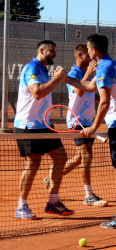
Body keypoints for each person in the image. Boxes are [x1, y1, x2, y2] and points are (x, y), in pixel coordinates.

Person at [61, 34, 116, 229]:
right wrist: (66, 79)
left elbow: (104, 102)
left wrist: (93, 127)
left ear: (94, 50)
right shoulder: (113, 64)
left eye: (89, 49)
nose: (88, 52)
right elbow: (90, 87)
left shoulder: (104, 68)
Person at [14, 40, 74, 220]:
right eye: (51, 51)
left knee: (61, 157)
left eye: (55, 51)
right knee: (33, 164)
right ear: (42, 50)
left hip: (44, 125)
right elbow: (37, 92)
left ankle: (53, 202)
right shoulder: (32, 68)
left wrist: (55, 78)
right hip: (28, 125)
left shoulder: (44, 71)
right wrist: (57, 79)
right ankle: (21, 206)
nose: (54, 54)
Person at [44, 43, 108, 207]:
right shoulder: (72, 74)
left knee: (80, 158)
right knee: (86, 156)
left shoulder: (88, 73)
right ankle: (88, 195)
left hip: (88, 120)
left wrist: (107, 100)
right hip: (77, 121)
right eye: (88, 55)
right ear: (80, 55)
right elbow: (79, 92)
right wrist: (88, 73)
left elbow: (89, 96)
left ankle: (52, 178)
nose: (91, 58)